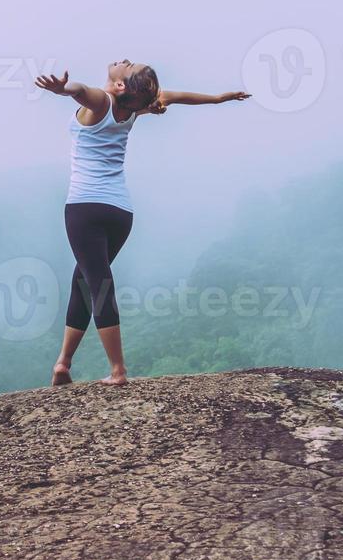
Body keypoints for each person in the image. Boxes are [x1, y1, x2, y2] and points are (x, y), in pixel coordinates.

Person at [33, 59, 250, 386]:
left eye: (128, 65)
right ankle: (63, 363)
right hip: (120, 213)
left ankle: (118, 371)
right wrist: (220, 98)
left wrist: (63, 88)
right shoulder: (134, 108)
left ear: (120, 85)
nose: (124, 60)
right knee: (85, 281)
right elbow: (177, 96)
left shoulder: (103, 101)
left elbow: (81, 91)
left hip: (85, 209)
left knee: (98, 285)